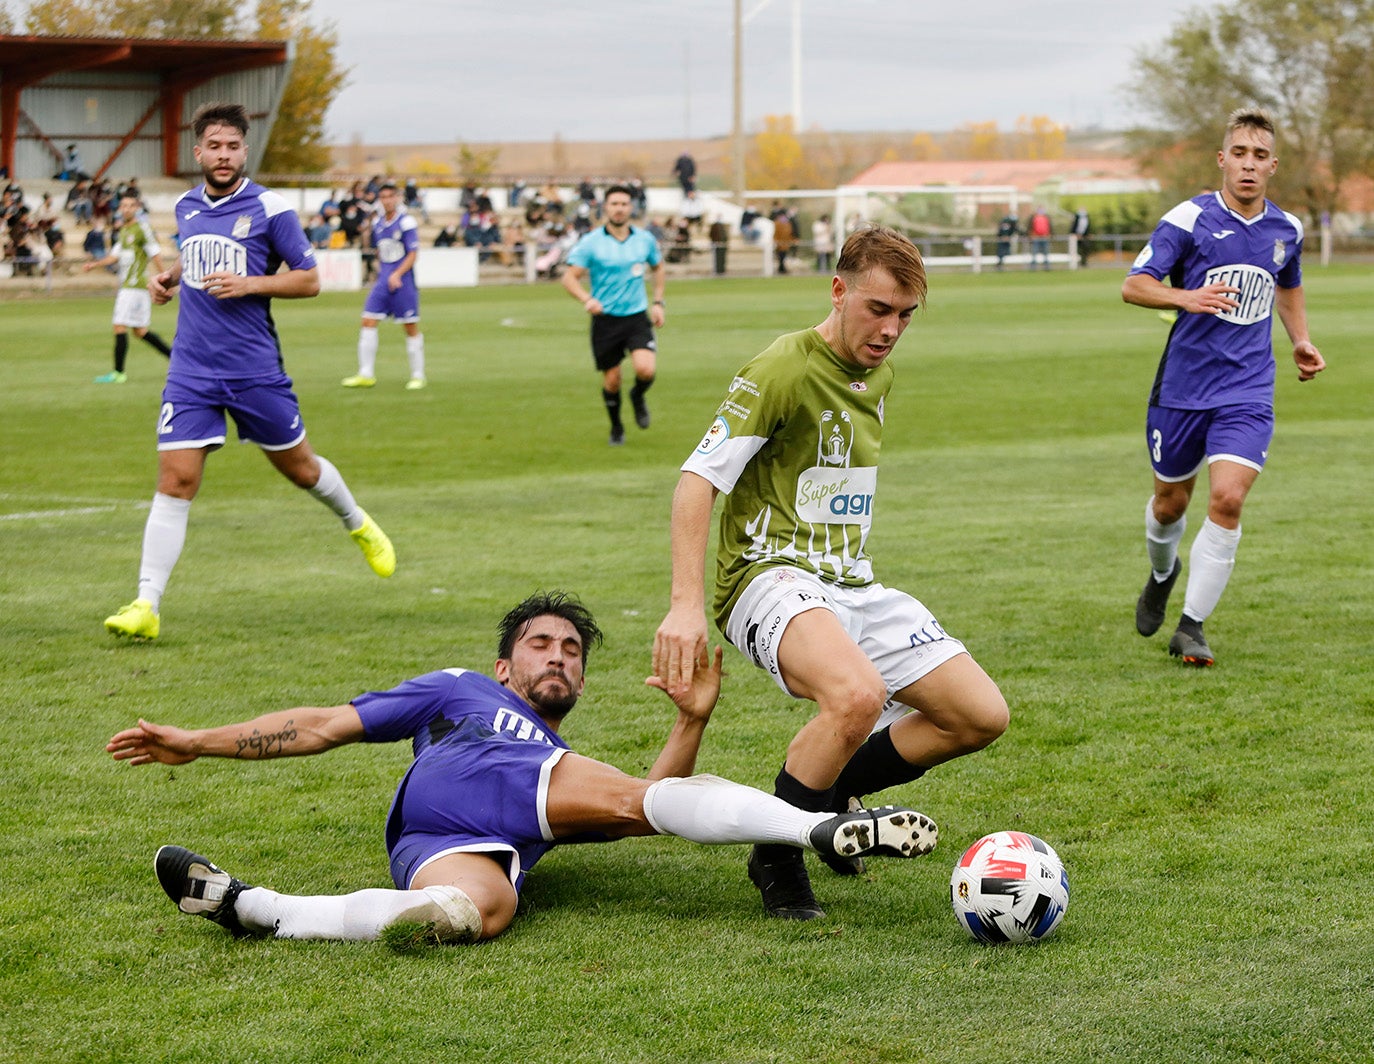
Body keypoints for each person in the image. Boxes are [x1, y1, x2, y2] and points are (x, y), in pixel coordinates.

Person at [107, 591, 937, 944]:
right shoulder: (465, 694)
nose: (559, 657)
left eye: (572, 651)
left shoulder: (554, 758)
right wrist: (199, 741)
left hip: (431, 834)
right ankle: (822, 826)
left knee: (475, 912)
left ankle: (259, 909)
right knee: (634, 799)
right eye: (540, 644)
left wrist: (691, 720)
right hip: (474, 780)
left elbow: (635, 808)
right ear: (504, 667)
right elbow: (325, 725)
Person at [652, 226, 1008, 920]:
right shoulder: (780, 368)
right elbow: (697, 480)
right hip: (766, 574)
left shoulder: (879, 372)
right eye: (878, 309)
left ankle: (829, 788)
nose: (891, 330)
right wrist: (685, 606)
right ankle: (777, 853)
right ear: (838, 290)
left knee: (977, 716)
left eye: (906, 315)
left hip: (850, 580)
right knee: (855, 696)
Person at [102, 102, 395, 643]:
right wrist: (167, 278)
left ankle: (358, 522)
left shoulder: (271, 207)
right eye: (214, 146)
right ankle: (146, 603)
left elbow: (308, 280)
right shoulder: (188, 206)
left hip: (253, 369)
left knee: (301, 470)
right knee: (175, 480)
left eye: (233, 146)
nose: (223, 155)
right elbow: (196, 258)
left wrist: (250, 284)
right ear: (199, 152)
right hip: (191, 370)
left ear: (244, 151)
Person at [1122, 107, 1325, 666]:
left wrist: (1301, 339)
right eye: (1239, 153)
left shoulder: (1288, 230)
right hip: (1182, 389)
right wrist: (1185, 296)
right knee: (1169, 504)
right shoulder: (1187, 220)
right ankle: (1163, 573)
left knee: (1229, 499)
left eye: (1260, 156)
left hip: (1248, 388)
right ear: (1222, 159)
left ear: (1273, 166)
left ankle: (1192, 626)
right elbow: (1134, 285)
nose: (1249, 165)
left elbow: (1289, 285)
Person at [560, 184, 666, 446]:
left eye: (624, 204)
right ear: (605, 208)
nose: (619, 209)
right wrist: (588, 299)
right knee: (612, 380)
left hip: (636, 316)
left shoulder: (644, 240)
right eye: (614, 204)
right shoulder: (591, 242)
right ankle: (617, 427)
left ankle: (638, 396)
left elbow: (658, 267)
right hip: (606, 320)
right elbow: (569, 278)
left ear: (631, 208)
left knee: (645, 369)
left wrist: (658, 302)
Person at [342, 181, 426, 391]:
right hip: (383, 281)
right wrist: (385, 273)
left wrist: (397, 274)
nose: (387, 200)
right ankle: (366, 373)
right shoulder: (378, 223)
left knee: (410, 326)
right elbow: (382, 251)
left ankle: (418, 375)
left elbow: (413, 253)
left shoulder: (406, 222)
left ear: (397, 198)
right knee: (368, 320)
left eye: (391, 196)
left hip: (403, 282)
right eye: (383, 197)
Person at [82, 191, 173, 383]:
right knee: (140, 331)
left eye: (131, 206)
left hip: (134, 286)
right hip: (129, 287)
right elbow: (114, 256)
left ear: (137, 208)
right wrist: (94, 265)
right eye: (123, 206)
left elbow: (155, 253)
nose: (126, 209)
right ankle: (177, 360)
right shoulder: (123, 231)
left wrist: (165, 279)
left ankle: (118, 373)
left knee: (119, 325)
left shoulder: (142, 229)